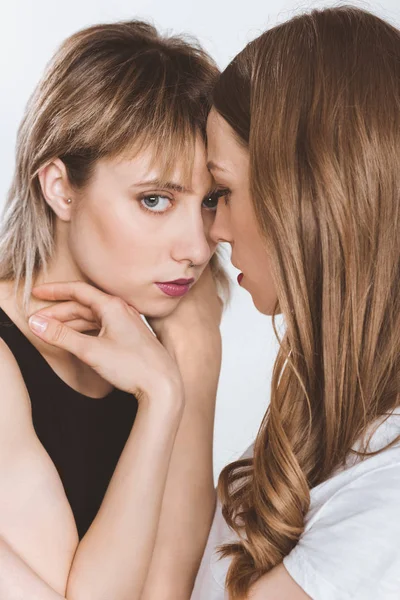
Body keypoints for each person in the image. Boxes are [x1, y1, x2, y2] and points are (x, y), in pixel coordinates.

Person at [0, 20, 229, 599]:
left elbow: (167, 592)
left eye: (208, 203)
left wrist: (194, 371)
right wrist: (167, 396)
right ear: (60, 187)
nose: (198, 248)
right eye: (155, 200)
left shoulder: (154, 341)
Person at [192, 6, 400, 600]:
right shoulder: (317, 434)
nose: (212, 232)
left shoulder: (389, 492)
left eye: (222, 191)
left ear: (304, 191)